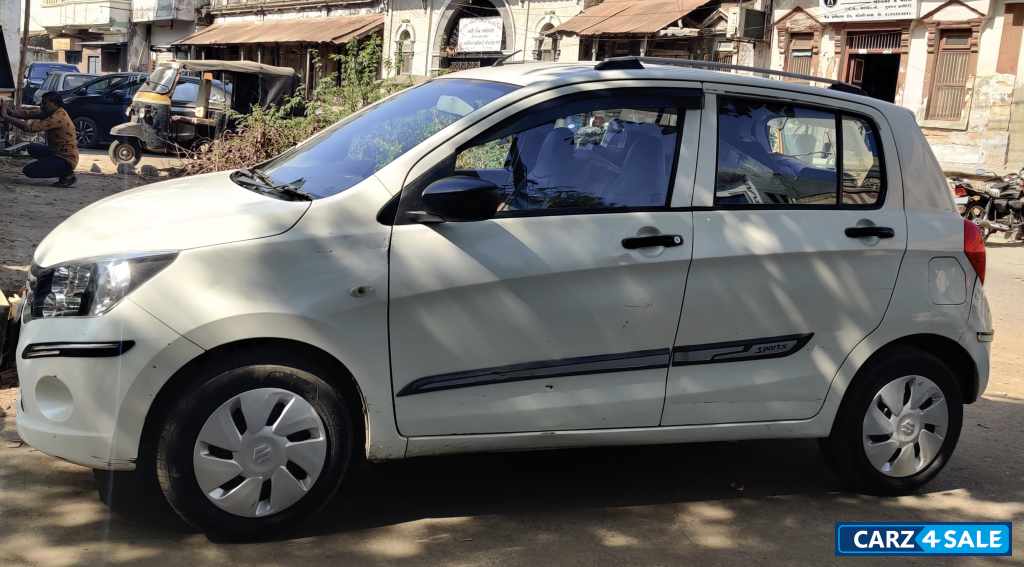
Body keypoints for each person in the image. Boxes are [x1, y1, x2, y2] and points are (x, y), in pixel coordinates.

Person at [0, 92, 78, 187]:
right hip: (57, 152)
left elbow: (30, 128)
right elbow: (27, 114)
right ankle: (59, 169)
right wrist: (9, 111)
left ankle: (67, 174)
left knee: (29, 171)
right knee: (31, 148)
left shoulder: (57, 117)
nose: (42, 106)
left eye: (45, 103)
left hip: (66, 159)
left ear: (54, 103)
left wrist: (6, 117)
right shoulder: (53, 111)